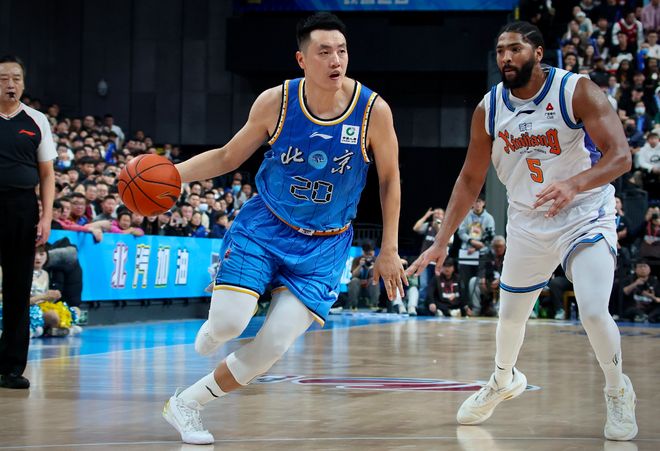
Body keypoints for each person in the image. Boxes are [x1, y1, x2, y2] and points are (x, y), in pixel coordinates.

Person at [161, 13, 405, 445]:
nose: (336, 60)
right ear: (302, 59)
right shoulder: (277, 102)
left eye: (342, 51)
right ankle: (218, 326)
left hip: (325, 245)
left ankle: (187, 404)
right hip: (266, 226)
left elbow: (389, 179)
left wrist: (389, 247)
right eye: (324, 52)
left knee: (272, 347)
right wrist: (171, 175)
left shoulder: (373, 110)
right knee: (230, 324)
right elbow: (228, 156)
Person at [408, 21, 637, 441]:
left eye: (515, 49)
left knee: (592, 311)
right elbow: (470, 179)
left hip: (584, 213)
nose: (506, 58)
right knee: (510, 318)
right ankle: (503, 379)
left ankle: (617, 388)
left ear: (538, 52)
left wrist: (574, 184)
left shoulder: (575, 91)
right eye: (500, 51)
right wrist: (442, 240)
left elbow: (621, 156)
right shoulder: (490, 108)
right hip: (529, 221)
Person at [0, 55, 56, 389]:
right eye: (3, 78)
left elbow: (47, 174)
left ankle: (11, 368)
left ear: (23, 83)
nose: (10, 84)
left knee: (18, 288)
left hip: (22, 208)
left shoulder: (37, 120)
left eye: (16, 78)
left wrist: (46, 216)